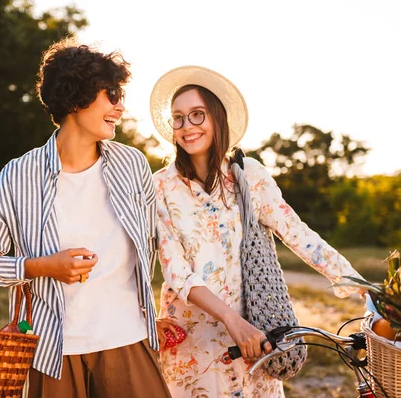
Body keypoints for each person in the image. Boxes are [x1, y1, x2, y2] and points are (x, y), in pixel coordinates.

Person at [0, 37, 172, 398]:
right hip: (51, 350)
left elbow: (164, 240)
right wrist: (44, 267)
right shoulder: (18, 175)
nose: (121, 107)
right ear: (76, 98)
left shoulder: (133, 164)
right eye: (111, 94)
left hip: (128, 337)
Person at [149, 65, 364, 397]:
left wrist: (356, 283)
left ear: (218, 118)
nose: (186, 126)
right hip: (194, 345)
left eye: (197, 115)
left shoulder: (249, 176)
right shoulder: (160, 186)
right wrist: (232, 323)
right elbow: (175, 271)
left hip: (256, 336)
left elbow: (297, 233)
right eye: (178, 118)